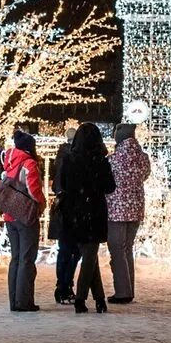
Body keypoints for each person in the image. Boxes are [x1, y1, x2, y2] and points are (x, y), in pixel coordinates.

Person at [56, 122, 116, 313]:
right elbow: (110, 187)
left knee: (90, 257)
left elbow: (62, 184)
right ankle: (81, 299)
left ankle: (99, 299)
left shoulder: (69, 160)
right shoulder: (100, 161)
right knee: (90, 256)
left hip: (73, 213)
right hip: (94, 212)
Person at [105, 123, 151, 304]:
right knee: (127, 249)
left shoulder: (113, 159)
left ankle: (122, 291)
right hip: (137, 208)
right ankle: (129, 288)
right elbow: (144, 175)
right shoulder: (143, 158)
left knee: (117, 250)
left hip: (116, 210)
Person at [2, 131, 45, 312]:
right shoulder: (29, 164)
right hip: (26, 215)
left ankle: (14, 301)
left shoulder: (8, 161)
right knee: (27, 259)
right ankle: (24, 302)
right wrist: (42, 203)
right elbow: (34, 190)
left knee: (16, 258)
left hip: (10, 214)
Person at [49, 155, 80, 305]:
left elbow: (56, 186)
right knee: (74, 251)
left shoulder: (63, 159)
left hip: (65, 213)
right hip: (75, 213)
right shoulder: (74, 159)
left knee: (65, 251)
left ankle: (62, 285)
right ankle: (65, 285)